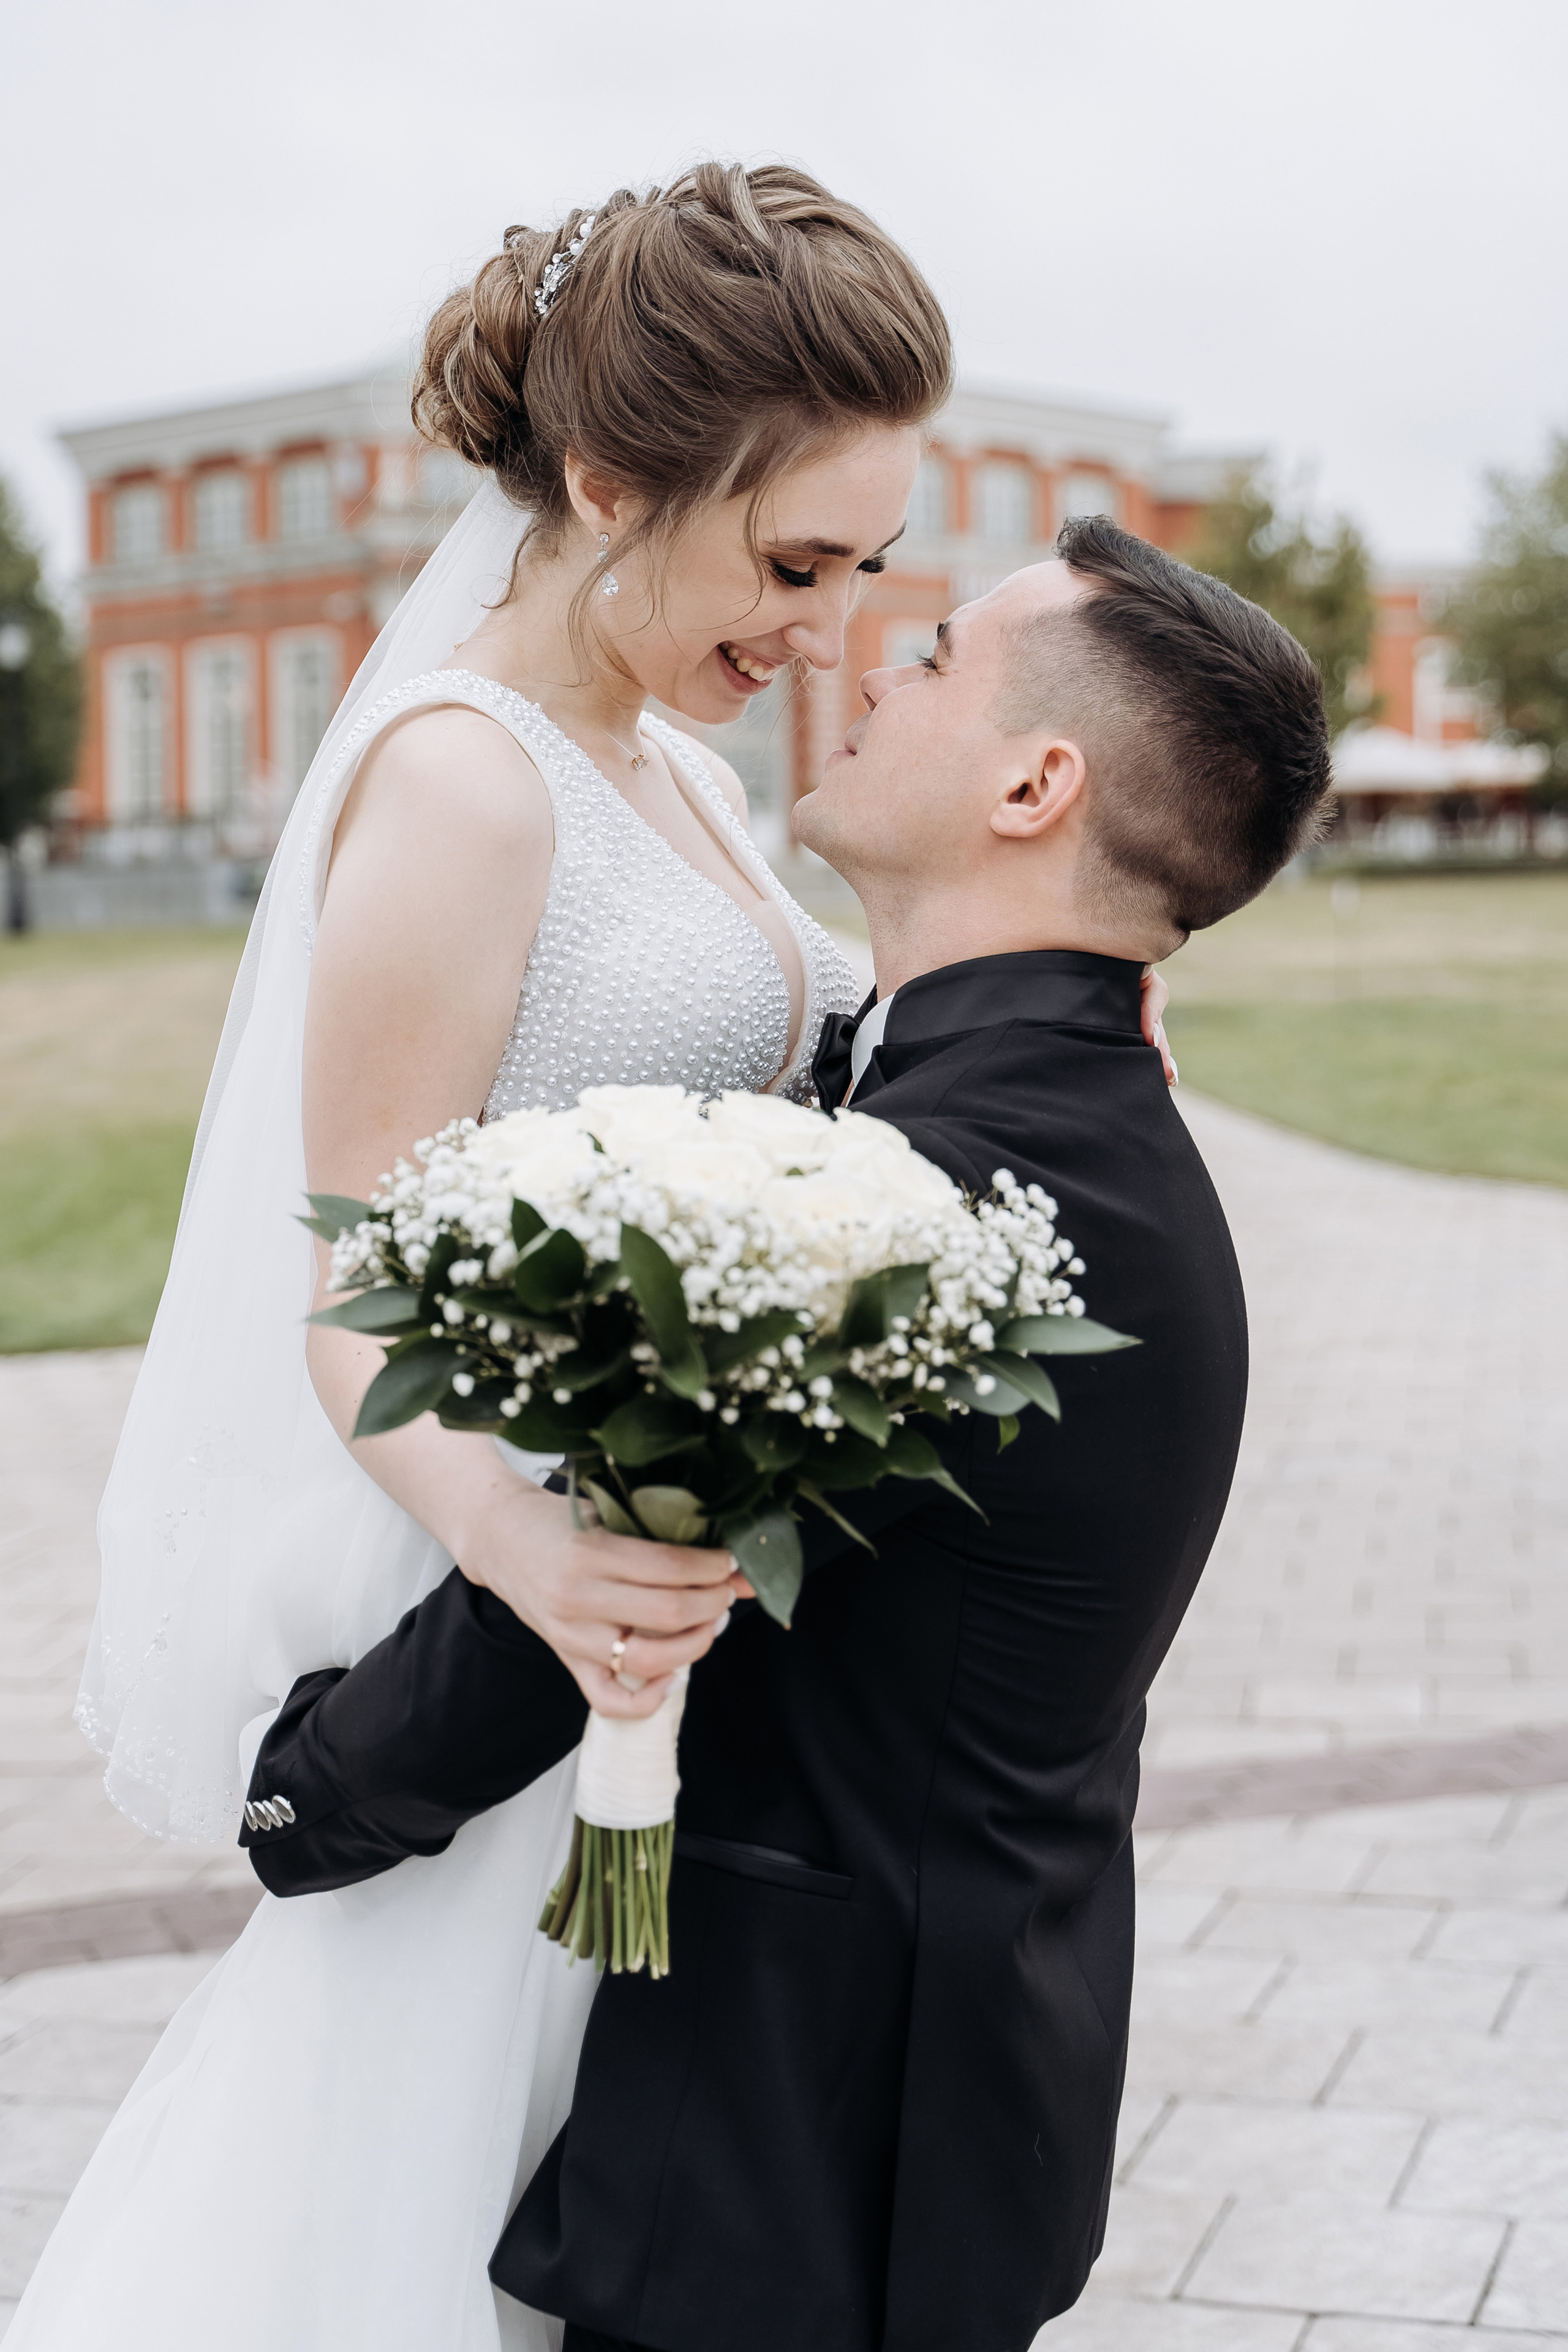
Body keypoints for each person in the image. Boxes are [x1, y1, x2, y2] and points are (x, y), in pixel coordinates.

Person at [9, 165, 957, 2352]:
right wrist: (538, 1565)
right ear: (617, 481)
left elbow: (826, 1050)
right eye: (790, 562)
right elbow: (350, 1282)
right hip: (513, 1627)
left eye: (869, 568)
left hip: (634, 1628)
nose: (825, 630)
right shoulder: (463, 784)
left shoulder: (680, 776)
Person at [224, 519, 1333, 2352]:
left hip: (802, 2154)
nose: (865, 664)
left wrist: (304, 1799)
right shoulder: (1051, 1111)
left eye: (939, 655)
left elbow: (619, 1572)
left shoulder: (941, 1190)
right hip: (926, 2097)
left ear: (1036, 779)